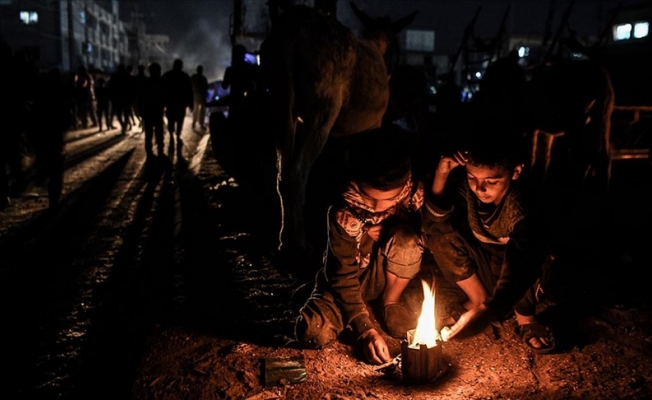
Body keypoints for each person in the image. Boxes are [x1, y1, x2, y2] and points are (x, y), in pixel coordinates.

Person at [294, 124, 427, 365]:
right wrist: (365, 328)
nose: (376, 207)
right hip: (349, 279)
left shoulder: (412, 196)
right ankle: (354, 309)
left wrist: (391, 228)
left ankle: (390, 301)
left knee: (407, 239)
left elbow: (421, 241)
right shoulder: (342, 212)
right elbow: (341, 275)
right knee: (312, 332)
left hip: (385, 275)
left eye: (386, 199)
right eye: (369, 197)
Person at [423, 123, 556, 354]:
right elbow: (433, 222)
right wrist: (442, 172)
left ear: (515, 172)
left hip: (522, 276)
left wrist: (490, 311)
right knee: (439, 235)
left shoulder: (521, 206)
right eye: (472, 177)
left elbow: (523, 262)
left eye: (491, 181)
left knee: (527, 259)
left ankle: (525, 317)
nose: (480, 188)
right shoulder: (469, 187)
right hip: (487, 265)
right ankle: (477, 299)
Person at [162, 58, 193, 150]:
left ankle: (172, 135)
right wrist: (191, 103)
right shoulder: (185, 76)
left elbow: (162, 89)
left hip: (171, 103)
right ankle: (177, 135)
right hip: (179, 103)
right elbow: (190, 91)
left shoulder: (167, 75)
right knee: (179, 120)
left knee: (171, 120)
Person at [191, 64, 209, 130]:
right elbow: (206, 87)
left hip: (195, 96)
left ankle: (194, 122)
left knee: (195, 110)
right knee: (201, 111)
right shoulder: (203, 78)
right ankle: (201, 124)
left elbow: (190, 86)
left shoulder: (194, 77)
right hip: (201, 96)